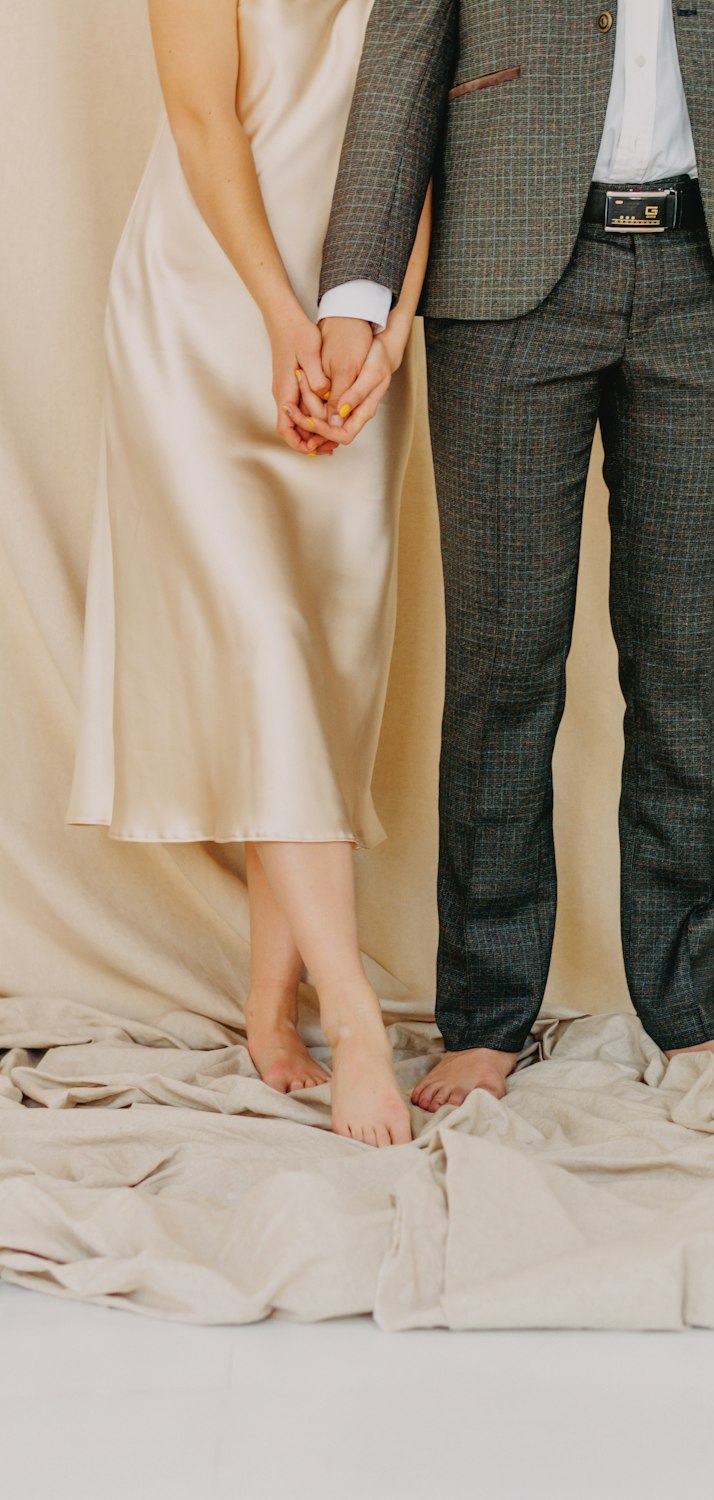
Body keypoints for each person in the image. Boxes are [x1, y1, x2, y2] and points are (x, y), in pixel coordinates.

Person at [309, 0, 714, 1110]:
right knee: (502, 666)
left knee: (683, 667)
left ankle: (685, 1012)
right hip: (503, 287)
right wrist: (356, 295)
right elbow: (403, 58)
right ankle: (486, 1018)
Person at [66, 0, 430, 1147]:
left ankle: (270, 1000)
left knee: (315, 668)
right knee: (266, 643)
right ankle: (357, 1017)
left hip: (355, 322)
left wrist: (391, 328)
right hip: (209, 308)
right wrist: (282, 315)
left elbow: (432, 129)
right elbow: (200, 120)